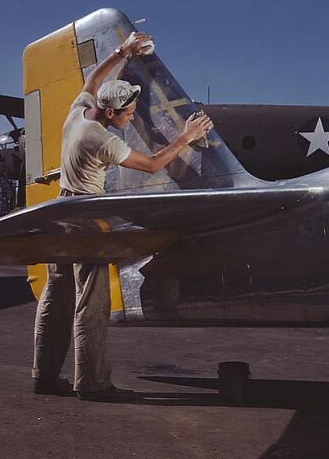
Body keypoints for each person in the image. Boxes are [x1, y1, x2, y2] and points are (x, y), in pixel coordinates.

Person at [32, 31, 213, 401]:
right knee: (92, 304)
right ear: (110, 113)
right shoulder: (101, 138)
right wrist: (185, 137)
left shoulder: (78, 113)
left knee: (56, 295)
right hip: (86, 214)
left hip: (61, 211)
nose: (132, 120)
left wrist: (122, 52)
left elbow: (93, 80)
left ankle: (44, 376)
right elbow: (150, 165)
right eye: (128, 114)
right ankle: (93, 384)